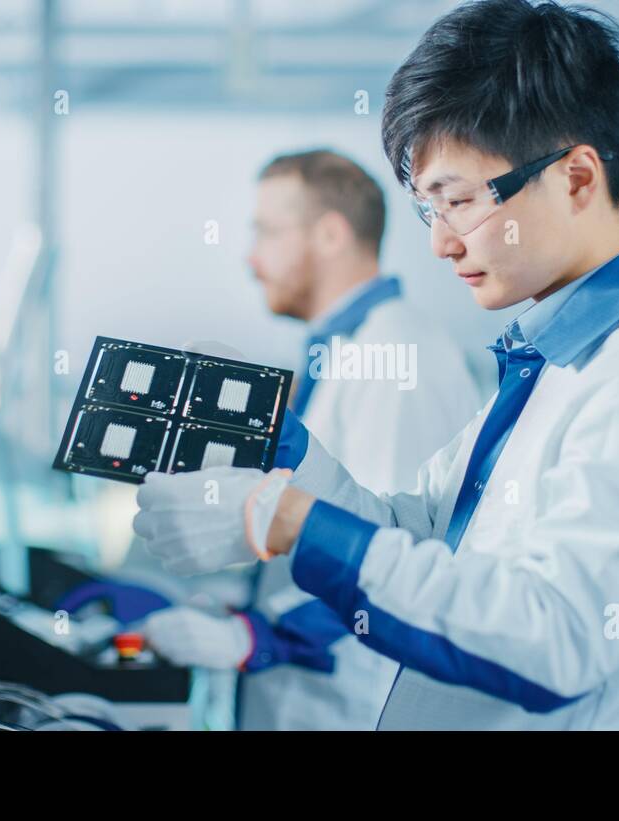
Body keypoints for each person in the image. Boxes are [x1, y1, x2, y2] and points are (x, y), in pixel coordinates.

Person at [133, 0, 619, 730]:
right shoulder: (550, 365)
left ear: (578, 179)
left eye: (459, 202)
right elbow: (422, 535)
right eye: (430, 211)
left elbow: (555, 639)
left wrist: (294, 524)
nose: (442, 244)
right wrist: (283, 452)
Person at [140, 150, 481, 730]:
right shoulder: (342, 356)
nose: (251, 259)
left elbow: (392, 554)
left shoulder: (398, 356)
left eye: (268, 233)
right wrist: (241, 605)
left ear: (330, 233)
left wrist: (257, 637)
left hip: (353, 704)